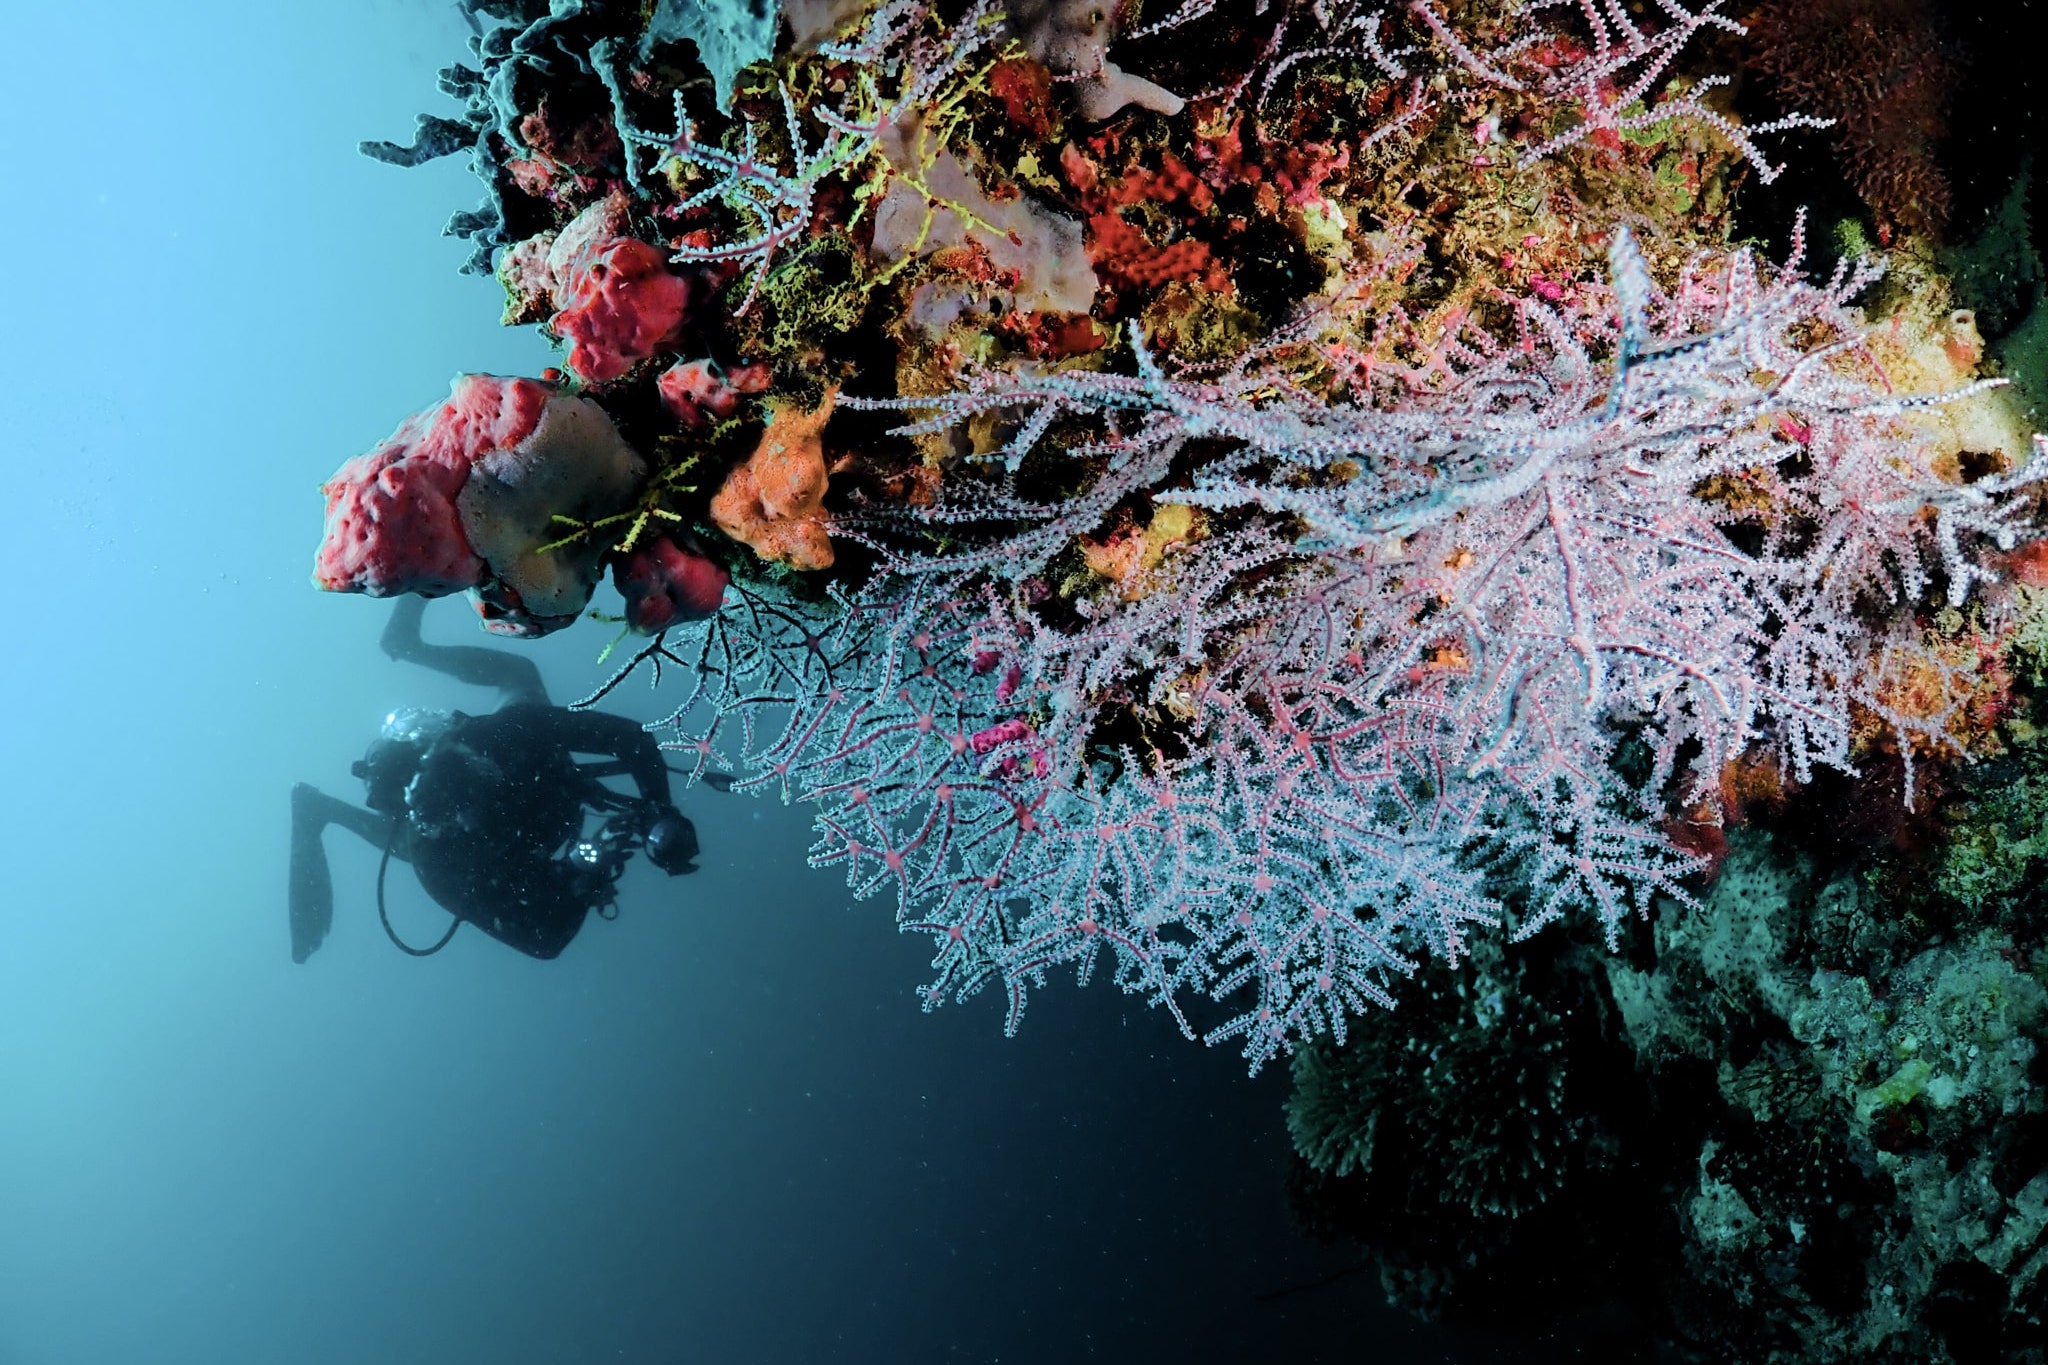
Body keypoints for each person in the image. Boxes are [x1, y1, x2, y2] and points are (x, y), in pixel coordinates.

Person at [289, 596, 699, 962]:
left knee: (520, 675)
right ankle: (316, 808)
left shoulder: (505, 734)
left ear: (464, 751)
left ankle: (405, 645)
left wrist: (661, 808)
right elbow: (544, 941)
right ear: (434, 814)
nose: (471, 802)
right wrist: (582, 873)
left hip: (526, 774)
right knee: (409, 847)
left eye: (465, 780)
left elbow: (630, 739)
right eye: (455, 802)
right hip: (475, 846)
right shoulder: (437, 857)